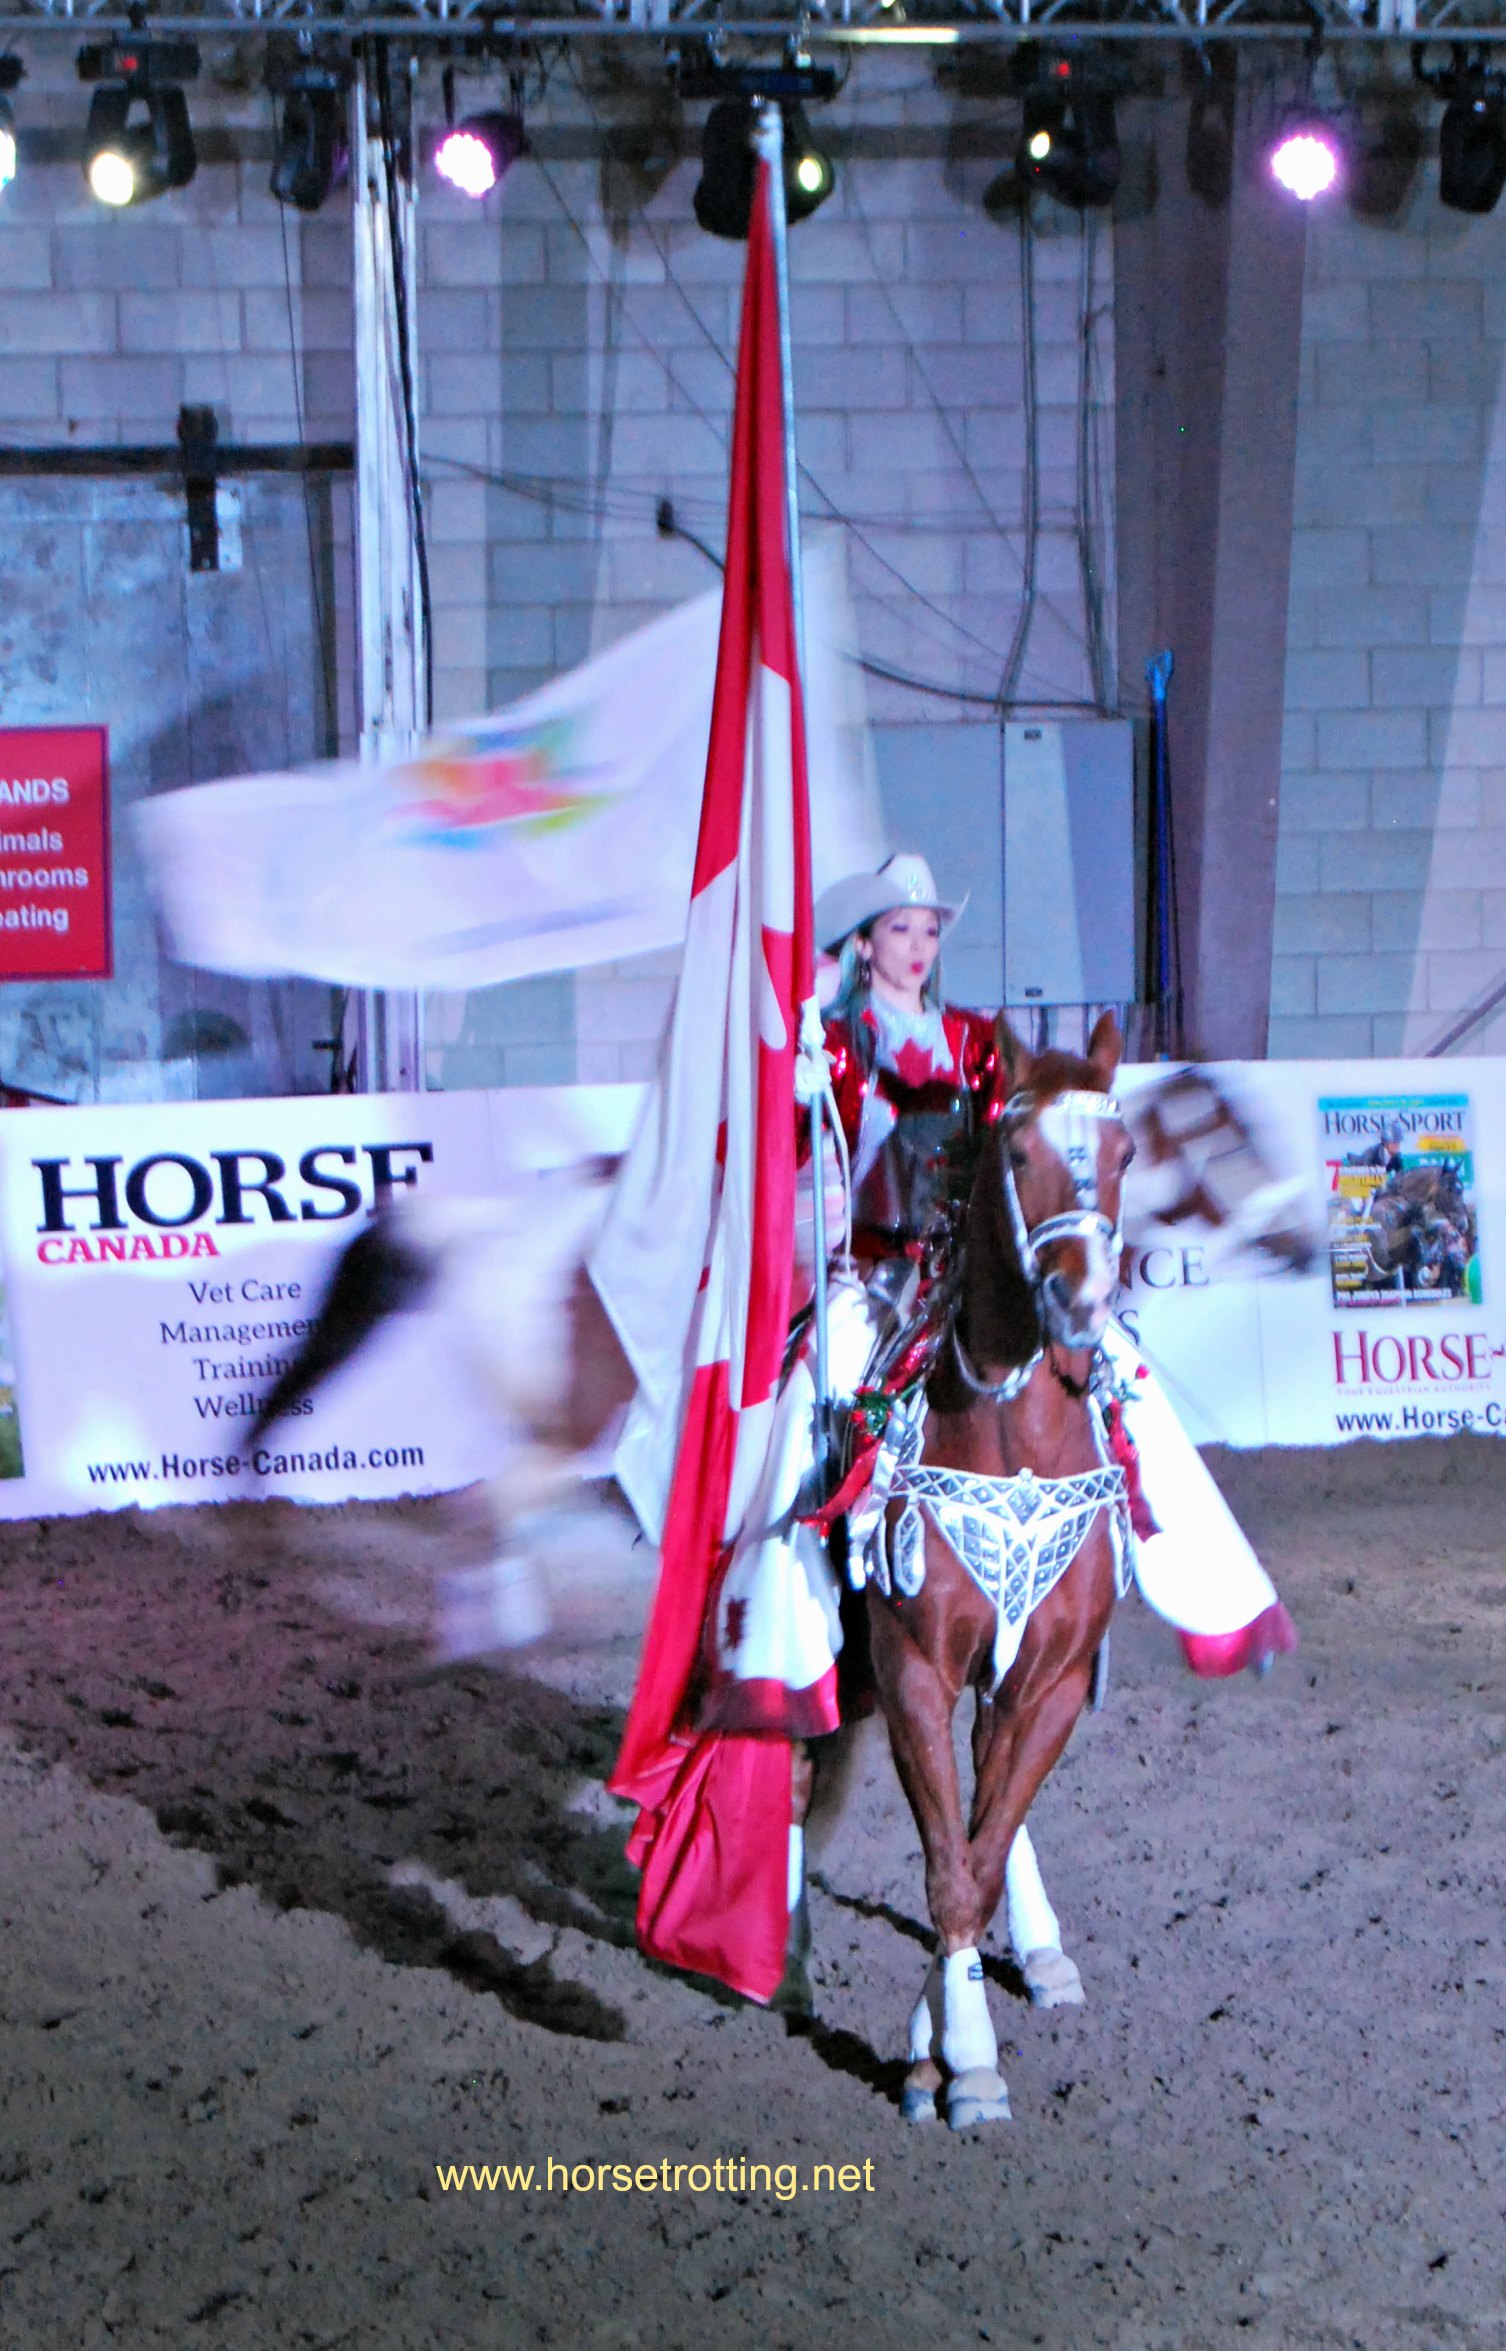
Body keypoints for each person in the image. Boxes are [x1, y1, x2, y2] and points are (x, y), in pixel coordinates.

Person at [699, 850, 1292, 1747]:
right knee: (809, 1399)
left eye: (929, 928)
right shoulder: (833, 1045)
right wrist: (797, 1089)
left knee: (1121, 1368)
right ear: (863, 945)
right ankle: (781, 1627)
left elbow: (1031, 1140)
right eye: (901, 929)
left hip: (966, 1273)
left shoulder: (979, 1041)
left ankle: (1204, 1589)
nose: (919, 944)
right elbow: (782, 1149)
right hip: (875, 1271)